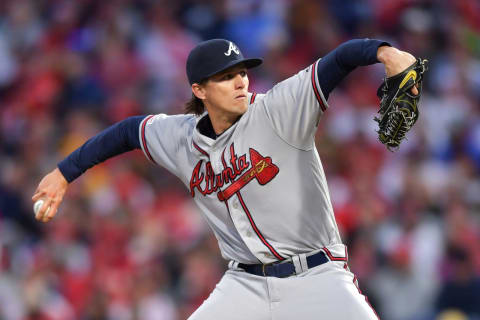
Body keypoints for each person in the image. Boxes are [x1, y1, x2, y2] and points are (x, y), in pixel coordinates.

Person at [32, 38, 419, 319]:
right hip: (245, 285)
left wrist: (386, 52)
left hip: (316, 275)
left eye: (241, 73)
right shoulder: (180, 137)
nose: (240, 82)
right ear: (199, 90)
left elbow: (339, 60)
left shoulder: (278, 110)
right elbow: (127, 132)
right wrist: (64, 174)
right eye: (226, 77)